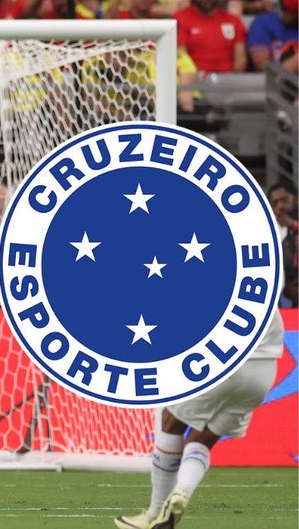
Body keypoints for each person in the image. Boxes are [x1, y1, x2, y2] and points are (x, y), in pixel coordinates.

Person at [114, 309, 285, 529]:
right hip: (263, 372)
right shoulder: (263, 286)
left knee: (170, 420)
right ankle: (182, 490)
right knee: (203, 438)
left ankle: (154, 514)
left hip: (224, 361)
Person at [174, 0, 248, 74]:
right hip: (193, 77)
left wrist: (231, 79)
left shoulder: (234, 21)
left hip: (228, 77)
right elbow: (181, 57)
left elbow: (240, 60)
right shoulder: (179, 20)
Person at [268, 179, 298, 308]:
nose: (280, 206)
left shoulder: (293, 223)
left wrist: (293, 224)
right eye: (275, 203)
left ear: (295, 199)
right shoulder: (271, 231)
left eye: (284, 200)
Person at [246, 0, 299, 71]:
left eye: (295, 13)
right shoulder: (264, 22)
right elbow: (263, 67)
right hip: (272, 78)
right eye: (287, 10)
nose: (288, 15)